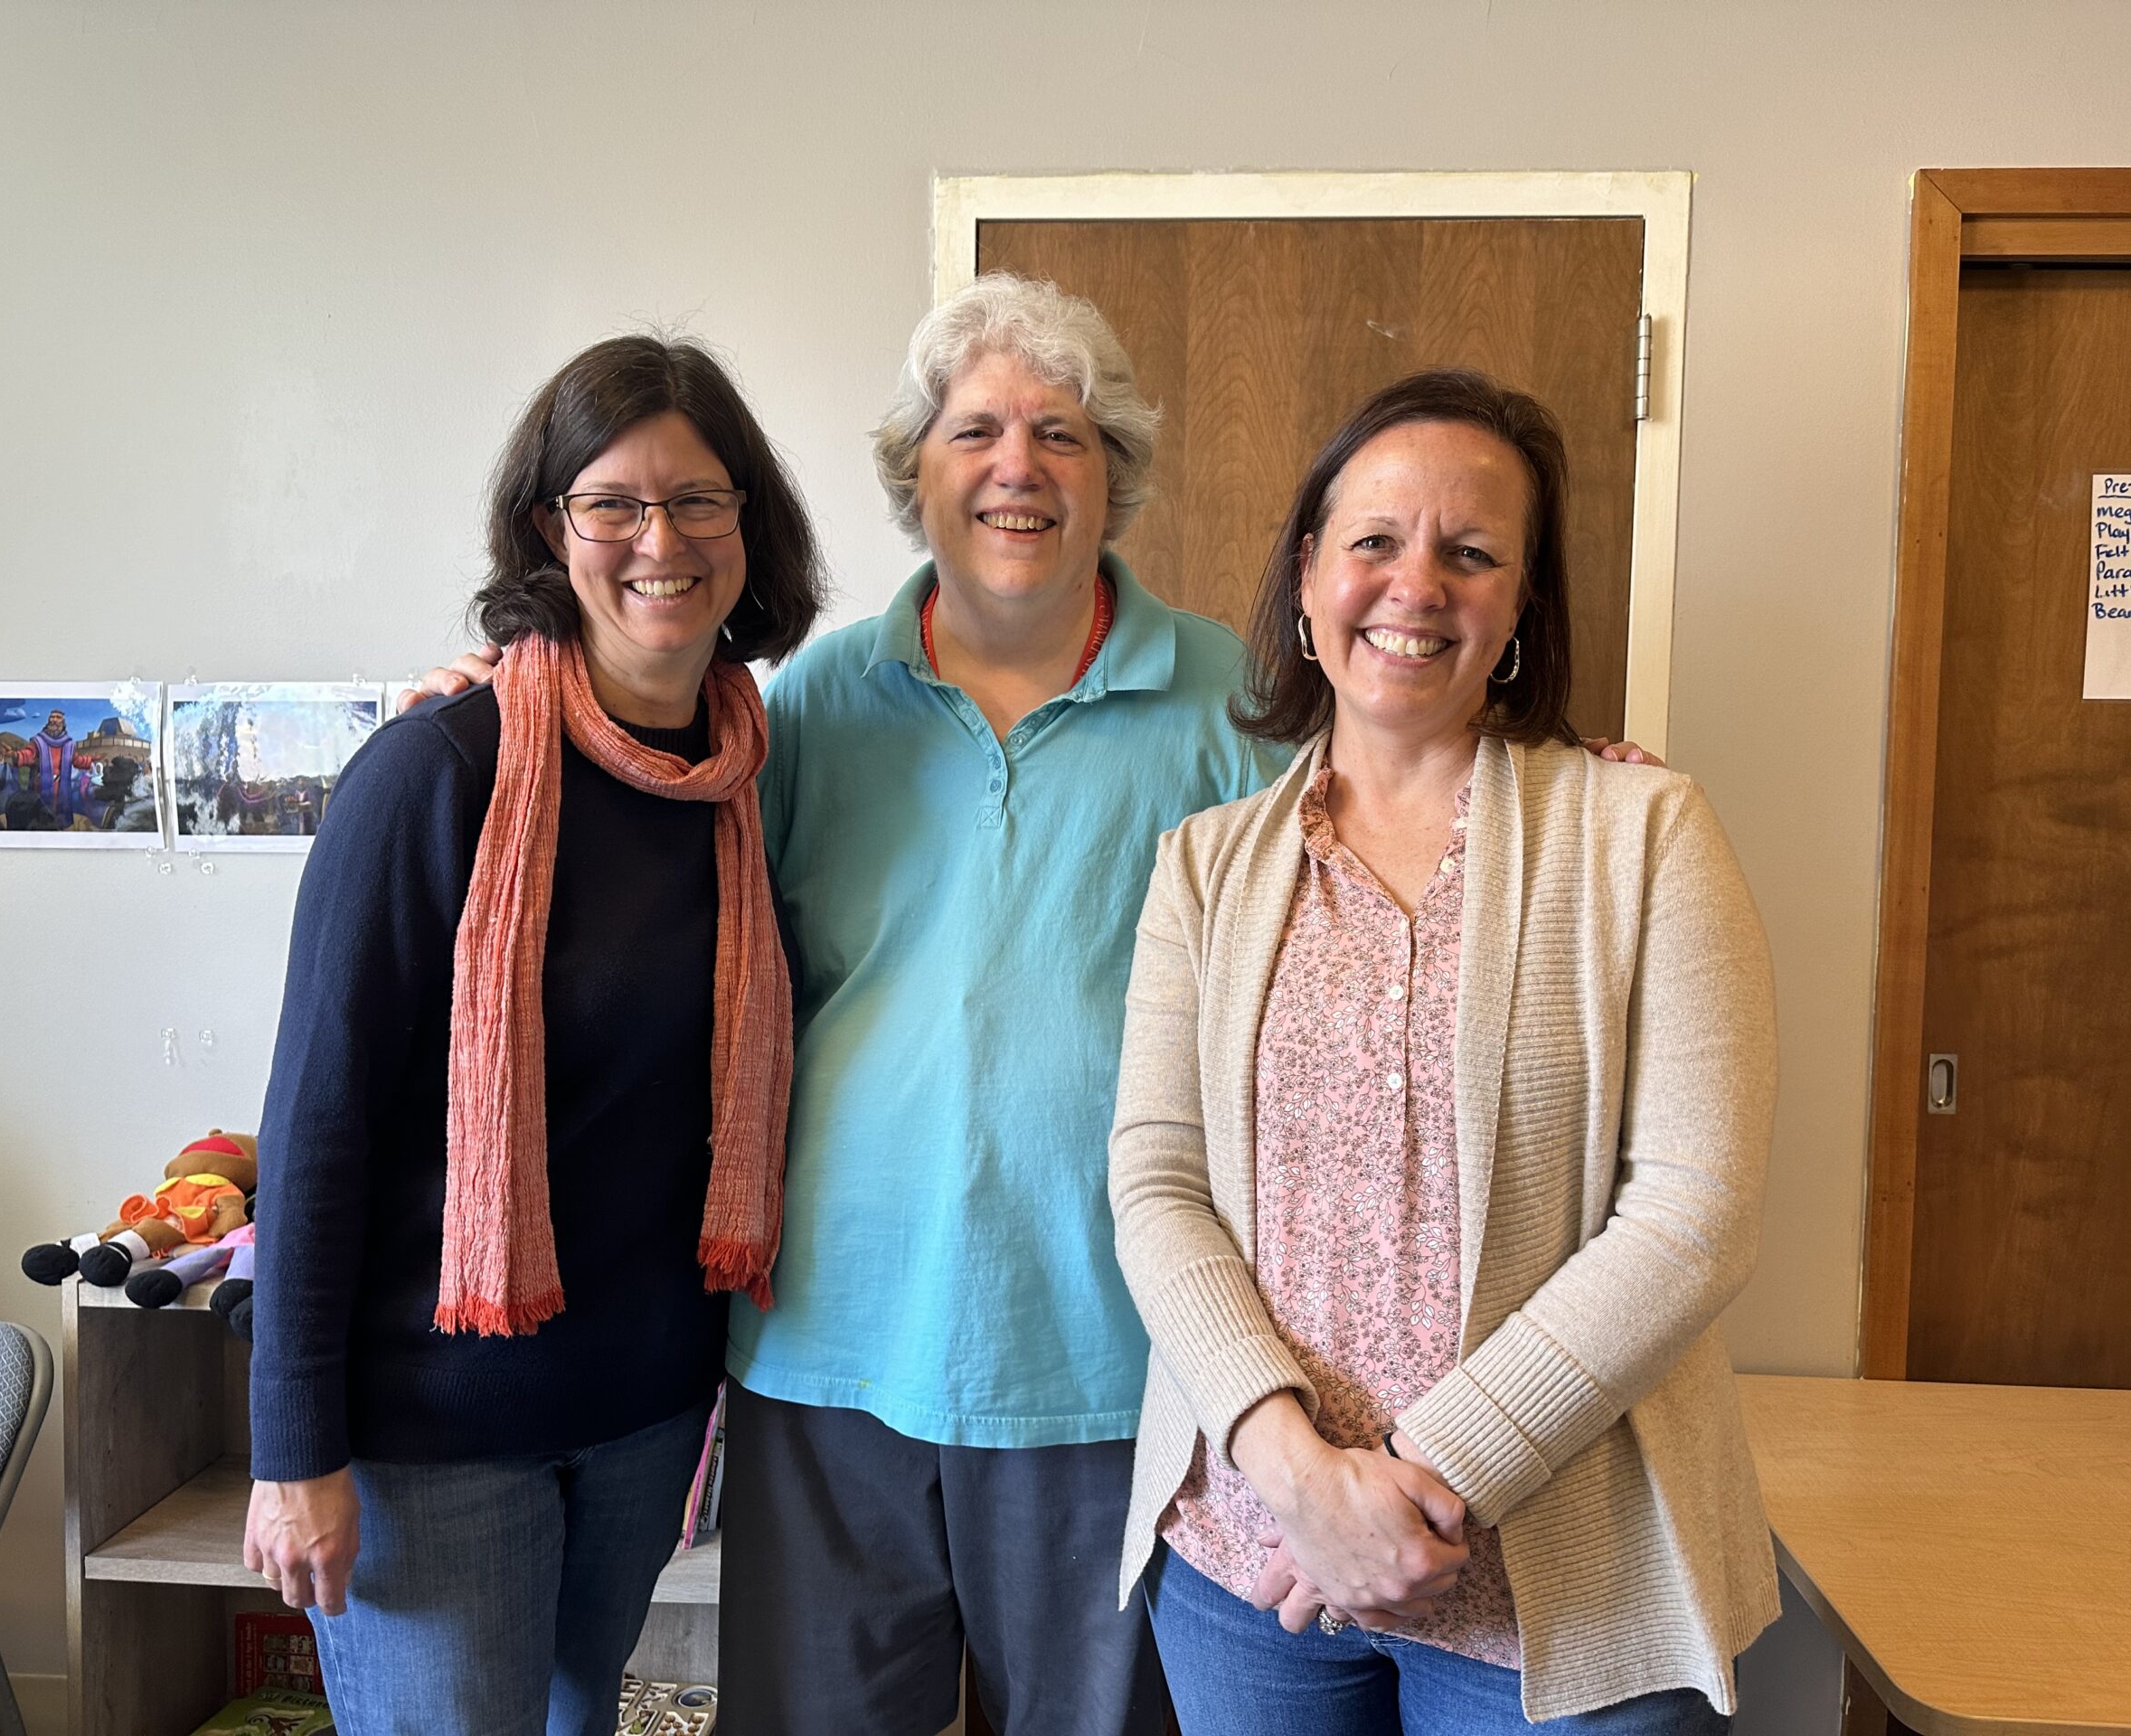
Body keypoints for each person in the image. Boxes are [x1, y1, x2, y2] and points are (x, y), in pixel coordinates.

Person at [405, 282, 1659, 1735]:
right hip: (830, 1353)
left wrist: (1564, 766)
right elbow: (644, 805)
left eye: (1062, 433)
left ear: (1114, 473)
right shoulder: (805, 704)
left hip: (1113, 1366)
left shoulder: (1234, 704)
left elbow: (1411, 769)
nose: (1019, 467)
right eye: (977, 431)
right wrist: (510, 690)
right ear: (914, 475)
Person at [1108, 370, 1777, 1735]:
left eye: (1470, 553)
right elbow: (1155, 1184)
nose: (1416, 584)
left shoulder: (1648, 835)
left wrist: (1425, 1478)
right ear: (1308, 577)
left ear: (1521, 607)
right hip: (1257, 1574)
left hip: (1566, 1591)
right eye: (1374, 542)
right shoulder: (1204, 867)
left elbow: (1695, 1217)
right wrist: (1297, 1474)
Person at [244, 334, 825, 1736]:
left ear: (750, 525)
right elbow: (317, 1125)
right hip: (434, 1445)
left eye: (699, 500)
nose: (660, 541)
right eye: (610, 504)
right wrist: (291, 1454)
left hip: (641, 1423)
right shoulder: (436, 776)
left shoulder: (745, 782)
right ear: (547, 532)